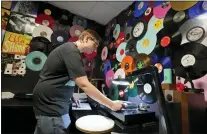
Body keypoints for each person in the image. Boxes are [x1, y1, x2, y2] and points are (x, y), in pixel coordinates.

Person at [33, 29, 123, 134]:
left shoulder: (69, 50)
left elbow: (60, 76)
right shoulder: (71, 50)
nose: (95, 50)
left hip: (52, 102)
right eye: (95, 45)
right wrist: (111, 104)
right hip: (51, 104)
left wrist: (71, 95)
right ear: (87, 38)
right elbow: (84, 84)